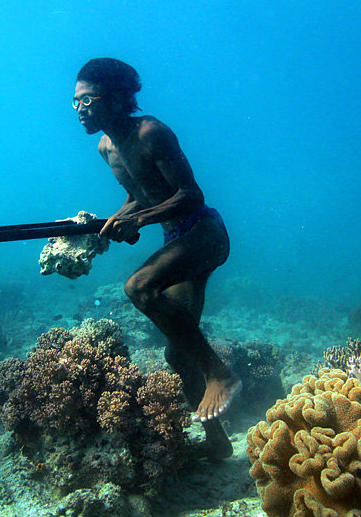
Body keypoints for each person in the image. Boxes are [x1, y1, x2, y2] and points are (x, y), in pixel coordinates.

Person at [74, 58, 240, 458]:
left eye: (88, 101)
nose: (80, 110)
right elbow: (140, 194)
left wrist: (141, 221)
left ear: (115, 99)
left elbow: (189, 196)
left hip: (203, 234)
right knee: (177, 351)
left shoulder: (151, 132)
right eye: (74, 103)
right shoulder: (105, 147)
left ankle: (221, 373)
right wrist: (117, 219)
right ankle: (217, 443)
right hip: (177, 237)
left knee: (139, 286)